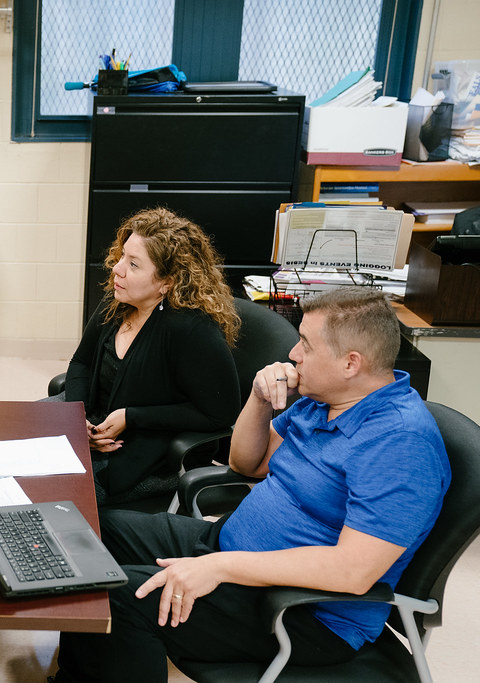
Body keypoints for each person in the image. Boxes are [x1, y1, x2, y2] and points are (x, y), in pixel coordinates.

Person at [52, 287, 450, 683]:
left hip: (300, 612)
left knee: (118, 600)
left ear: (351, 363)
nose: (294, 355)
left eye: (306, 346)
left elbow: (353, 571)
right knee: (89, 530)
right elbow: (246, 463)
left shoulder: (401, 444)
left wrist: (221, 567)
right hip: (229, 547)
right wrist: (260, 399)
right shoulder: (325, 399)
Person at [65, 207, 241, 503]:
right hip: (94, 422)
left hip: (144, 452)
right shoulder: (118, 298)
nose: (117, 269)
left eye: (133, 265)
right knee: (24, 440)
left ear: (167, 282)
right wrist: (75, 416)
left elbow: (220, 413)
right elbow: (80, 362)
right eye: (122, 256)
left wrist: (131, 417)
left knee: (56, 489)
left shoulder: (190, 329)